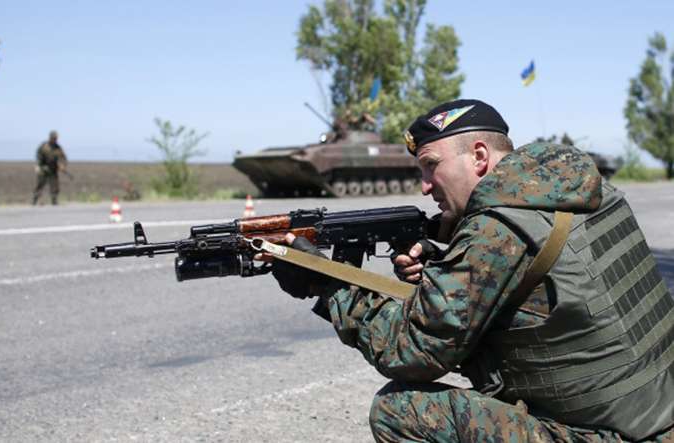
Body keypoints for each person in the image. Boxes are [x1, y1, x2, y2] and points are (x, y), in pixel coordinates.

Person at [266, 99, 674, 442]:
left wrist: (329, 286)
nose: (425, 185)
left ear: (479, 156)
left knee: (400, 410)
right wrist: (446, 264)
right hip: (658, 413)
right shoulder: (587, 190)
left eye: (430, 165)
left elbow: (410, 352)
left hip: (611, 435)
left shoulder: (496, 232)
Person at [32, 130, 68, 205]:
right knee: (40, 184)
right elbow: (38, 157)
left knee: (55, 185)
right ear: (50, 138)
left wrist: (62, 165)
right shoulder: (44, 146)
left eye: (56, 138)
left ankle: (54, 201)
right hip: (43, 169)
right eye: (54, 138)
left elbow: (63, 158)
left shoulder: (58, 148)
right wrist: (38, 166)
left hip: (53, 169)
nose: (55, 140)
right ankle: (35, 200)